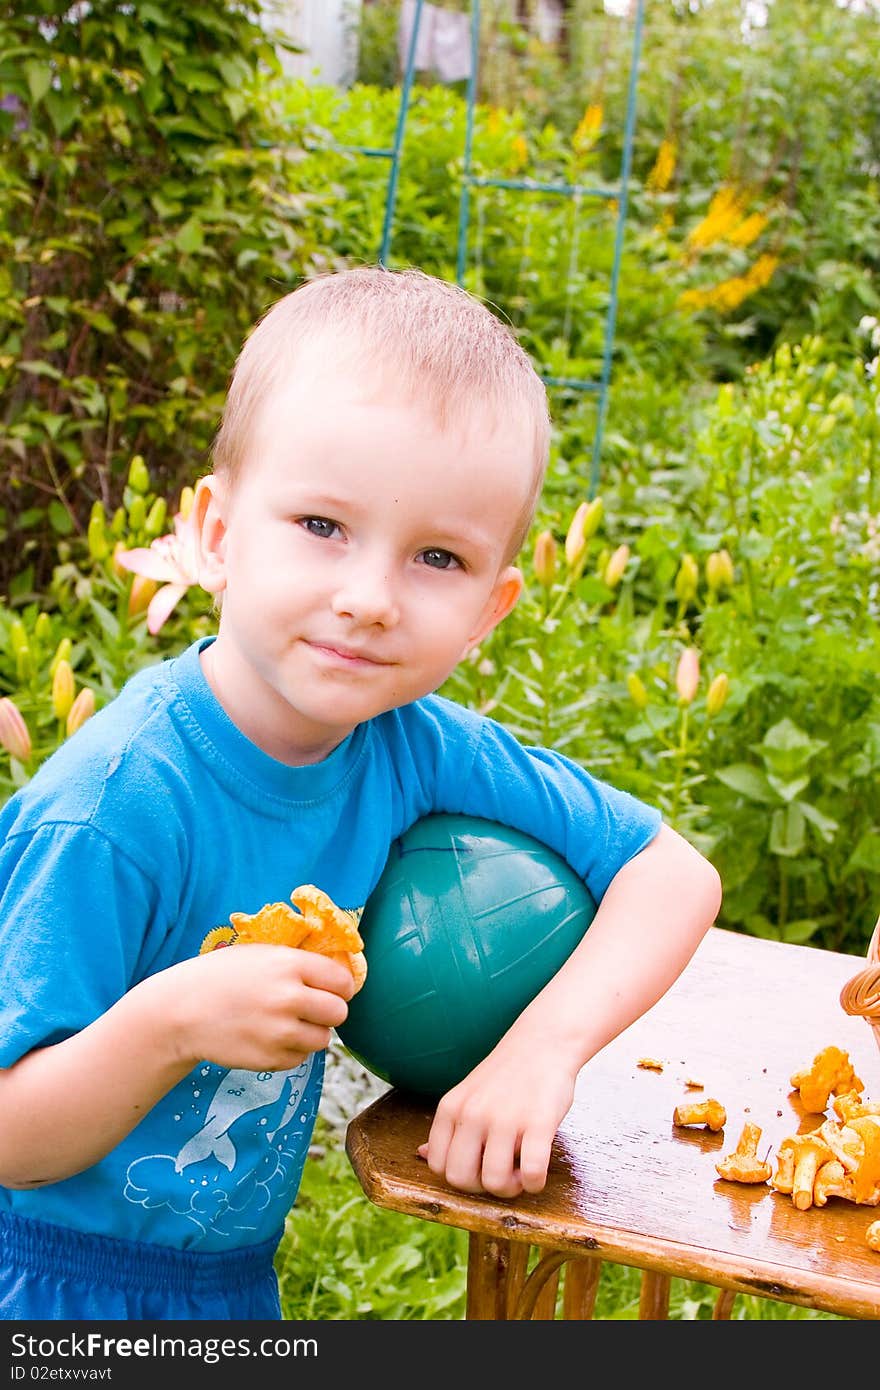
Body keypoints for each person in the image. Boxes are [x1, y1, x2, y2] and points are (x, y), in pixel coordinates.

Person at [0, 266, 722, 1321]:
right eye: (321, 525)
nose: (370, 598)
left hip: (227, 1280)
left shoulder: (406, 744)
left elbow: (671, 872)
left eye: (437, 556)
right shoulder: (115, 806)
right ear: (214, 531)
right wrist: (166, 1024)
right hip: (46, 1285)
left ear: (491, 606)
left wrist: (537, 1055)